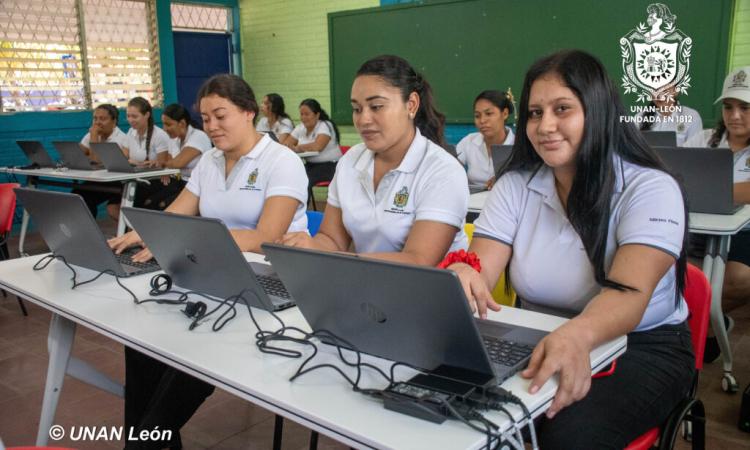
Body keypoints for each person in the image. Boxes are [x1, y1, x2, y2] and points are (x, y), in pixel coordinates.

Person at [448, 50, 694, 449]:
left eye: (562, 109)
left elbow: (628, 294)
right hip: (535, 334)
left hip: (642, 346)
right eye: (533, 113)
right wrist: (465, 273)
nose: (545, 126)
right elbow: (480, 264)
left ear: (596, 110)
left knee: (567, 437)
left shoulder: (649, 188)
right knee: (457, 408)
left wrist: (577, 335)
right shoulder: (515, 185)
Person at [108, 73, 308, 450]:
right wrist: (145, 231)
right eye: (205, 118)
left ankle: (146, 441)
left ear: (249, 112)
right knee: (140, 342)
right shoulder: (210, 161)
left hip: (267, 287)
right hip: (212, 274)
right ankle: (149, 441)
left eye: (221, 115)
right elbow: (179, 213)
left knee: (194, 355)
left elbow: (266, 236)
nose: (212, 127)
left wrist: (191, 240)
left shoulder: (281, 162)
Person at [281, 55, 468, 264]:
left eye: (376, 106)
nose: (363, 119)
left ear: (412, 105)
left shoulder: (442, 171)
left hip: (423, 293)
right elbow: (332, 239)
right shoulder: (351, 160)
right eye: (356, 109)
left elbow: (418, 262)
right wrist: (309, 246)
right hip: (364, 286)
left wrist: (335, 258)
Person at [685, 66, 750, 360]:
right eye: (728, 107)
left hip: (743, 233)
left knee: (739, 278)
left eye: (745, 108)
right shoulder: (704, 139)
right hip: (698, 228)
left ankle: (705, 328)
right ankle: (702, 328)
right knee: (680, 273)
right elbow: (674, 174)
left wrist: (705, 187)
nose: (734, 115)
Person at [151, 103, 213, 209]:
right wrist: (166, 168)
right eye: (163, 124)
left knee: (162, 205)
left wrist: (161, 163)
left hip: (199, 187)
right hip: (181, 182)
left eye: (168, 124)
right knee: (150, 199)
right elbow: (171, 162)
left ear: (182, 123)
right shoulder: (174, 138)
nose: (164, 128)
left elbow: (177, 163)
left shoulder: (198, 137)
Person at [73, 104, 129, 219]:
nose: (97, 122)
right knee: (76, 195)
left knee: (84, 196)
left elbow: (95, 163)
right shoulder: (93, 134)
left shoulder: (121, 139)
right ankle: (83, 230)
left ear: (114, 122)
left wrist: (93, 137)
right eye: (95, 118)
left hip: (118, 181)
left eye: (102, 119)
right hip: (100, 179)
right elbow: (80, 153)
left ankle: (89, 232)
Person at [456, 89, 515, 190]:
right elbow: (450, 167)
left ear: (504, 114)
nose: (482, 121)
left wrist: (506, 179)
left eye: (489, 114)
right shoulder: (469, 141)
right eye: (477, 116)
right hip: (472, 203)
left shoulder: (518, 145)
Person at [282, 98, 342, 190]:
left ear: (317, 115)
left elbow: (318, 146)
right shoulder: (300, 128)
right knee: (291, 178)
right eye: (301, 114)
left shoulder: (325, 125)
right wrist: (289, 146)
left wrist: (297, 148)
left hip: (330, 166)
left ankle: (301, 204)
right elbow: (286, 145)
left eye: (307, 114)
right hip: (311, 165)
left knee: (303, 181)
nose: (303, 118)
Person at [638, 86, 703, 146]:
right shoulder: (639, 117)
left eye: (665, 90)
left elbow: (694, 152)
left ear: (676, 91)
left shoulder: (692, 117)